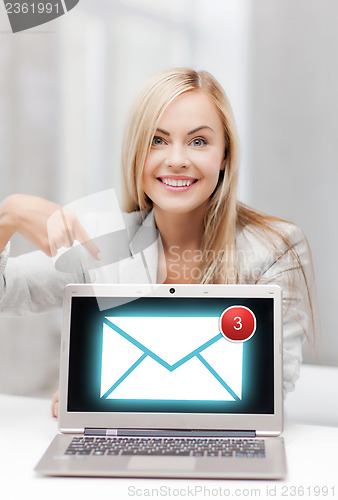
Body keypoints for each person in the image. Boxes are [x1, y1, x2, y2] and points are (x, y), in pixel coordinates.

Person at [0, 67, 316, 418]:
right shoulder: (102, 242)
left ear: (224, 155)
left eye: (199, 141)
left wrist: (98, 392)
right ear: (137, 153)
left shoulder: (275, 247)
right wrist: (7, 218)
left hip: (225, 451)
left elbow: (271, 387)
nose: (177, 160)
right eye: (157, 140)